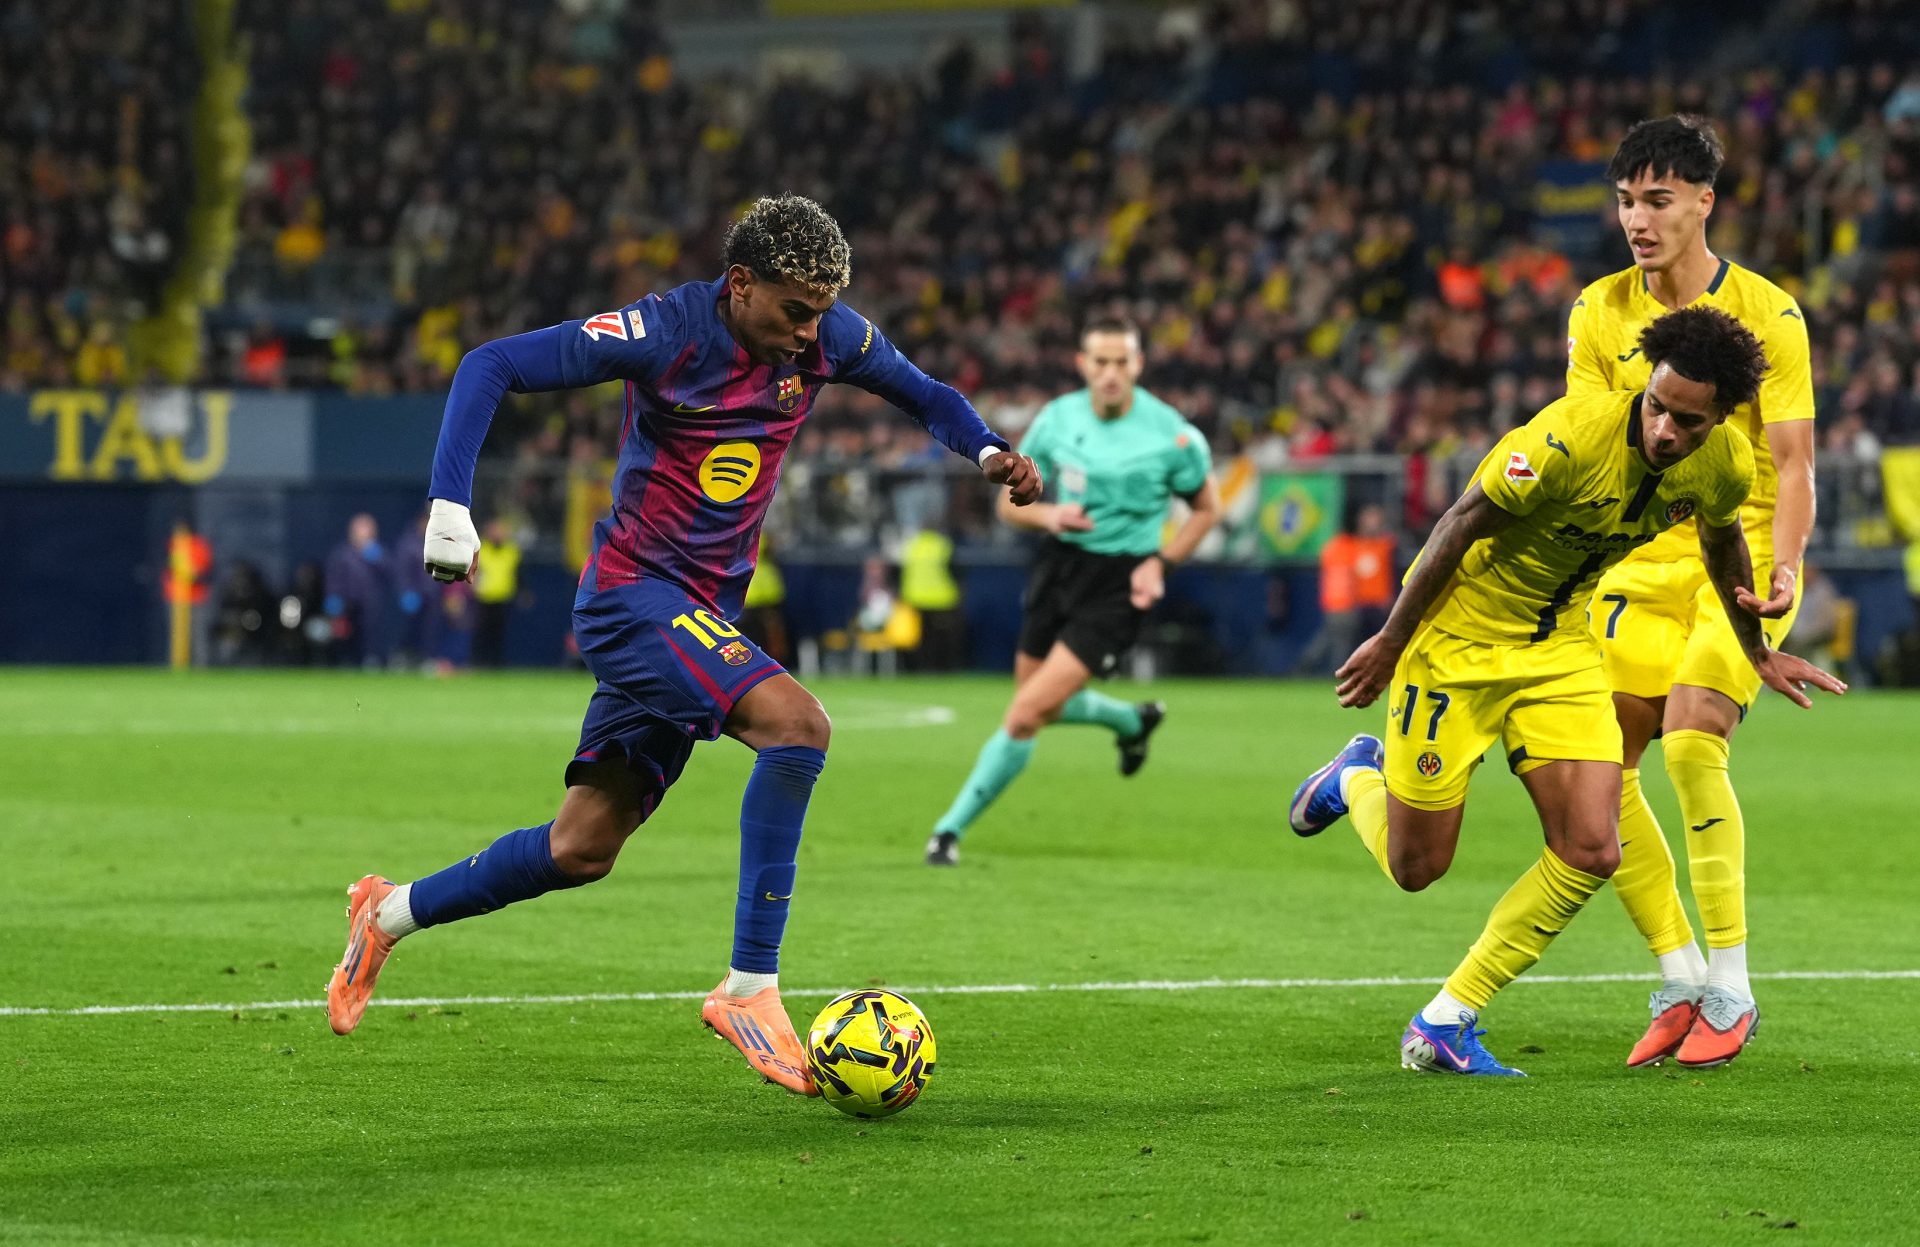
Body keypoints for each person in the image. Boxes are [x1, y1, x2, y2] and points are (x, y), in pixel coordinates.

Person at [324, 194, 1043, 1097]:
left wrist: (985, 451)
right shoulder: (661, 331)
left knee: (581, 847)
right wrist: (451, 503)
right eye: (793, 309)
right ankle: (750, 986)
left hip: (701, 614)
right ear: (740, 284)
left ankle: (384, 914)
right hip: (633, 599)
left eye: (822, 311)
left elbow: (927, 394)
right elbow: (490, 364)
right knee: (798, 726)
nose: (811, 331)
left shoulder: (824, 338)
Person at [1287, 306, 1844, 1077]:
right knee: (1417, 868)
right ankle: (1354, 775)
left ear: (1721, 418)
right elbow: (1457, 523)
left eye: (1686, 420)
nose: (1663, 432)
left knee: (1591, 846)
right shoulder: (1567, 438)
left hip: (1559, 650)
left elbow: (1722, 542)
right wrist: (1391, 640)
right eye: (1655, 407)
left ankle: (1447, 1017)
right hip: (1456, 642)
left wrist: (1756, 647)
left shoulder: (1721, 466)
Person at [1569, 116, 1820, 1068]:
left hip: (1742, 548)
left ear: (1704, 202)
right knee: (1602, 766)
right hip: (1636, 557)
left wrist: (1787, 562)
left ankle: (1736, 984)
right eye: (1627, 199)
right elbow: (1592, 443)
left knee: (1690, 737)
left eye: (1658, 200)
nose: (1638, 218)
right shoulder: (1596, 311)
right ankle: (1679, 974)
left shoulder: (1771, 312)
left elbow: (1793, 462)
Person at [926, 316, 1219, 865]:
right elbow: (1006, 505)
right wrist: (1050, 514)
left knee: (1025, 713)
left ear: (1138, 365)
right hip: (1059, 570)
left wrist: (1161, 562)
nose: (1110, 373)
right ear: (1083, 365)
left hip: (1122, 583)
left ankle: (947, 831)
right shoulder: (1058, 420)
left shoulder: (1173, 435)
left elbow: (1206, 510)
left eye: (1121, 361)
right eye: (1100, 362)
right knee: (1037, 704)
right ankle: (1133, 722)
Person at [1294, 503, 1397, 675]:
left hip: (1360, 604)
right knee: (1339, 642)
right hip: (1347, 604)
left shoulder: (1375, 546)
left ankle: (1305, 667)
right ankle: (1333, 672)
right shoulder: (1349, 547)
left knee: (1330, 640)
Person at [323, 513, 390, 668]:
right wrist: (333, 597)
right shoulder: (342, 554)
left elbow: (391, 574)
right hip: (348, 604)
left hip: (371, 604)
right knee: (346, 636)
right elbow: (333, 578)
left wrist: (378, 559)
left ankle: (371, 660)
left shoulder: (378, 554)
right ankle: (347, 662)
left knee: (371, 635)